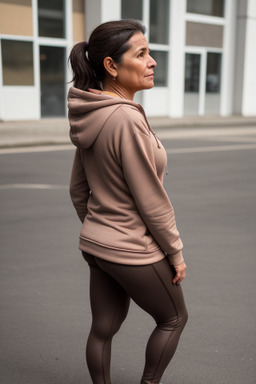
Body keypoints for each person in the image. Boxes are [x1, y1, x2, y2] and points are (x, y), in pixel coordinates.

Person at [68, 19, 188, 384]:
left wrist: (101, 227)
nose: (152, 61)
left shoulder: (94, 113)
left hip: (96, 244)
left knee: (103, 328)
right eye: (141, 53)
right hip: (131, 248)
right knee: (173, 318)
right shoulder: (124, 118)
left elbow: (78, 188)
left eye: (150, 52)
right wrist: (176, 252)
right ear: (111, 66)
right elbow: (151, 200)